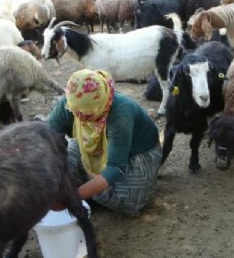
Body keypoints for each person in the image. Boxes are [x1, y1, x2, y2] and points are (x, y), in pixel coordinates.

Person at [46, 69, 162, 217]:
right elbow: (46, 135)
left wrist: (72, 198)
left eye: (87, 115)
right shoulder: (74, 101)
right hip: (98, 147)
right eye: (76, 113)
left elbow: (115, 168)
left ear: (99, 108)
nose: (80, 119)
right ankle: (90, 190)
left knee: (129, 200)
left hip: (136, 154)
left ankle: (89, 192)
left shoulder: (121, 112)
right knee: (65, 165)